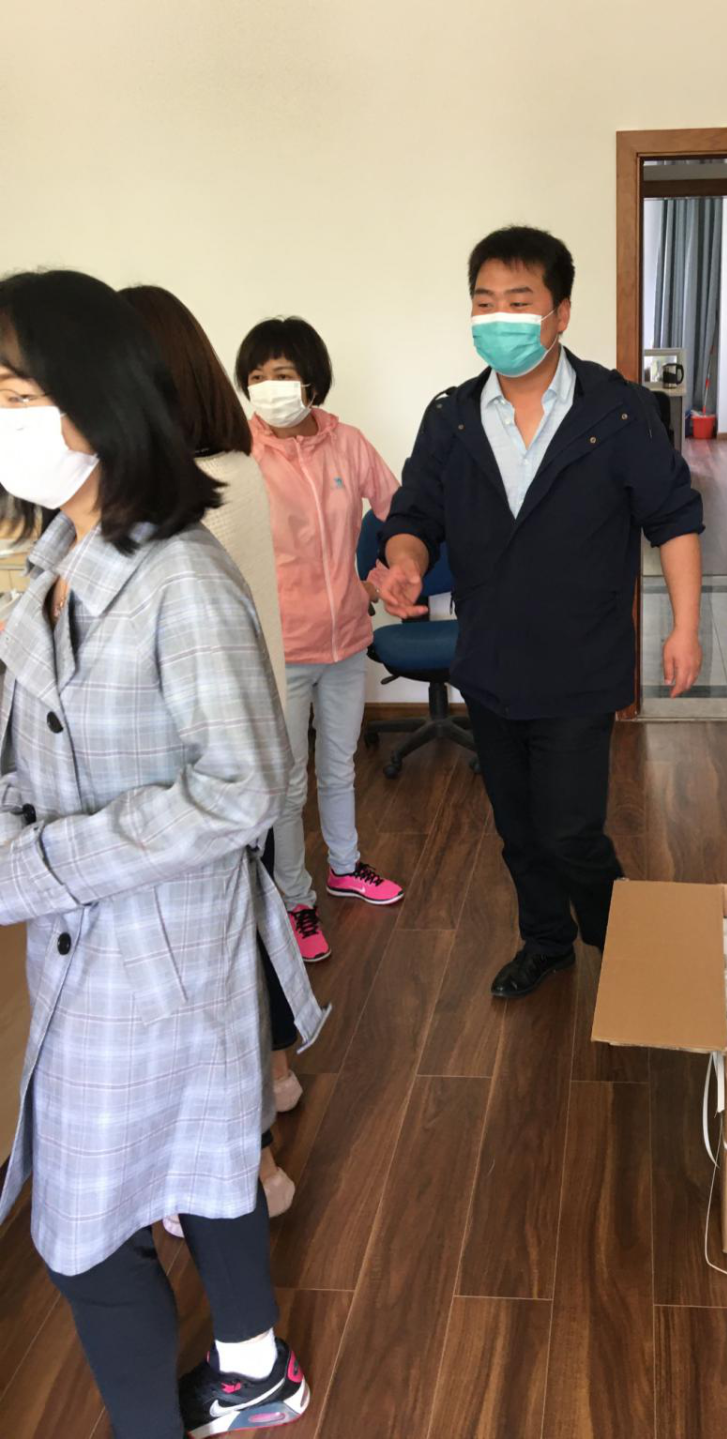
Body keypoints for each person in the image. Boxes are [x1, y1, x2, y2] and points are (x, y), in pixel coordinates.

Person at [0, 268, 326, 1439]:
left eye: (13, 395)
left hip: (155, 960)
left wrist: (38, 866)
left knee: (83, 1236)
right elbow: (28, 744)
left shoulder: (178, 579)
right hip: (94, 950)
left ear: (95, 398)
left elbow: (244, 788)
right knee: (203, 1161)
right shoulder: (55, 561)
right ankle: (255, 1372)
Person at [380, 225, 704, 999]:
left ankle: (630, 947)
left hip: (580, 661)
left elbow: (674, 518)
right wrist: (404, 562)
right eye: (485, 302)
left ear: (560, 313)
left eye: (519, 302)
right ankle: (546, 940)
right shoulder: (453, 417)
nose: (501, 318)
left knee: (570, 831)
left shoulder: (617, 410)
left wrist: (686, 627)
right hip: (490, 661)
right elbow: (414, 514)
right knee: (518, 828)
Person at [120, 284, 302, 1229]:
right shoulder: (231, 468)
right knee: (250, 935)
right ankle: (277, 1077)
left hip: (210, 765)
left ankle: (252, 1163)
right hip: (247, 745)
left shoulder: (192, 495)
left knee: (218, 964)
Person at [235, 316, 403, 963]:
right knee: (286, 783)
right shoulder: (240, 456)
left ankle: (345, 866)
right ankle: (293, 897)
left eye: (281, 374)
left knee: (338, 765)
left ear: (310, 379)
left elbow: (400, 513)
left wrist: (378, 580)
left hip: (347, 640)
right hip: (279, 652)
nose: (269, 387)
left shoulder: (347, 443)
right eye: (256, 376)